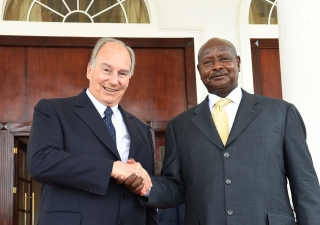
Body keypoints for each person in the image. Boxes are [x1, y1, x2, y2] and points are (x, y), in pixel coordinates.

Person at [119, 37, 320, 224]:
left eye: (224, 58)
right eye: (208, 62)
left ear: (238, 62)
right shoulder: (179, 127)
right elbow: (176, 188)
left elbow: (305, 185)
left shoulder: (282, 113)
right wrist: (146, 186)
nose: (217, 66)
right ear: (199, 70)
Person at [27, 37, 158, 225]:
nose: (114, 80)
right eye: (106, 70)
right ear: (90, 70)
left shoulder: (142, 130)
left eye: (122, 73)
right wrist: (112, 168)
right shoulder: (53, 110)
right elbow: (41, 162)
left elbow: (148, 200)